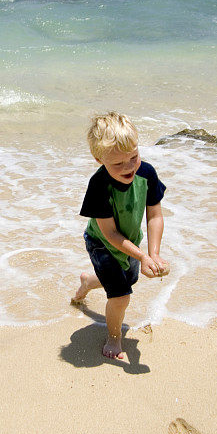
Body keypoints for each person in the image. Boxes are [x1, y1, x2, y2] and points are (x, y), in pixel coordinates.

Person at [73, 111, 169, 360]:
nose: (128, 167)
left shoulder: (146, 173)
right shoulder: (99, 185)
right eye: (118, 164)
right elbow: (111, 233)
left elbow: (155, 215)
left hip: (130, 241)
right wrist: (142, 256)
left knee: (127, 281)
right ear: (98, 159)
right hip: (102, 244)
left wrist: (154, 254)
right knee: (121, 294)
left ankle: (88, 281)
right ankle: (114, 336)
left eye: (134, 157)